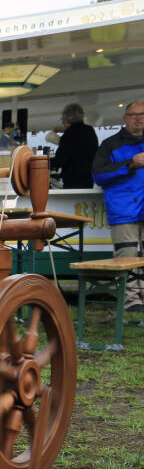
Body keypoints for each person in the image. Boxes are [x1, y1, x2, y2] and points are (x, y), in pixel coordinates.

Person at [93, 100, 144, 313]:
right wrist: (130, 164)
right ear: (125, 118)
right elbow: (98, 175)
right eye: (134, 114)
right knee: (127, 256)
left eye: (142, 114)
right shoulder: (110, 144)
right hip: (124, 210)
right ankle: (131, 301)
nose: (139, 118)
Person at [50, 103, 98, 189]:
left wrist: (44, 163)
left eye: (62, 119)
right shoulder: (90, 131)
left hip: (72, 180)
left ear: (66, 119)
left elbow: (60, 159)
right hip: (89, 179)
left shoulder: (69, 134)